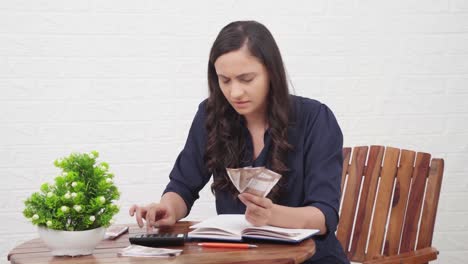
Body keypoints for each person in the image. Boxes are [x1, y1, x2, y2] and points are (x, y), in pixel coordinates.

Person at [129, 20, 349, 264]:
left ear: (271, 73)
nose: (235, 93)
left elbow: (324, 216)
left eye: (246, 79)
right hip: (240, 258)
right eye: (225, 80)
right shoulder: (210, 115)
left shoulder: (315, 119)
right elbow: (182, 185)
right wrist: (168, 208)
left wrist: (272, 215)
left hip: (310, 259)